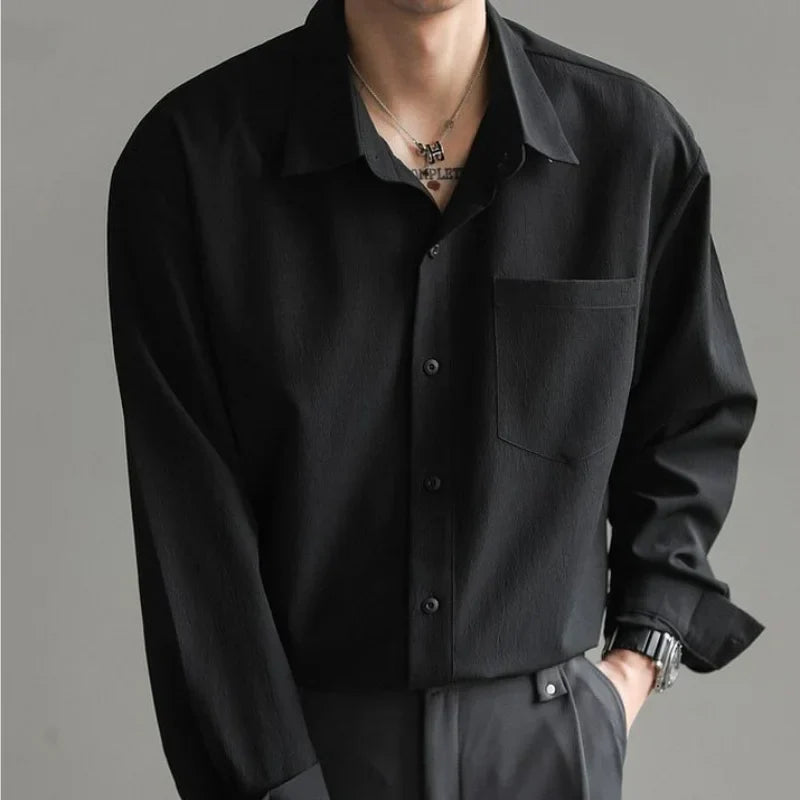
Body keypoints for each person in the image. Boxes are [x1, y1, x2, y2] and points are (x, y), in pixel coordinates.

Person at [106, 0, 765, 798]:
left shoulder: (632, 146)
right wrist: (270, 780)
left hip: (547, 749)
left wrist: (636, 661)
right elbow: (190, 524)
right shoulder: (191, 162)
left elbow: (692, 417)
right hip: (306, 754)